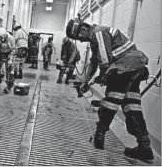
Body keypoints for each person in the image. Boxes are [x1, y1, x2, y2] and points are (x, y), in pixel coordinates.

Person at [65, 17, 153, 161]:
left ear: (84, 29)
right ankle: (145, 146)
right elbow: (94, 61)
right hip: (135, 67)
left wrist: (102, 77)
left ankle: (100, 137)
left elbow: (105, 61)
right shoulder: (96, 38)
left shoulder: (98, 33)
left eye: (79, 37)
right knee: (132, 106)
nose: (80, 41)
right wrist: (85, 81)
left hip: (124, 68)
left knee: (109, 103)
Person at [0, 28, 16, 93]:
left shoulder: (11, 38)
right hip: (0, 55)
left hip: (9, 55)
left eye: (2, 36)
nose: (1, 38)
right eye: (0, 37)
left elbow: (14, 50)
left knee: (10, 71)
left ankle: (8, 87)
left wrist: (11, 59)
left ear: (5, 34)